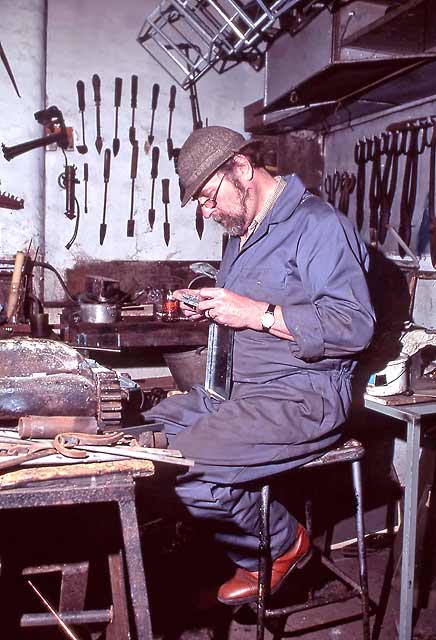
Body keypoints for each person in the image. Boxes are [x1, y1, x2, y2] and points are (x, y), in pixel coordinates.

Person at [143, 125, 375, 605]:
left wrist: (257, 314)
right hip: (238, 391)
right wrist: (207, 303)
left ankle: (279, 545)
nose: (207, 212)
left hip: (303, 395)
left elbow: (355, 326)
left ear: (243, 168)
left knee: (186, 468)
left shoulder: (319, 225)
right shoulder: (244, 230)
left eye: (209, 197)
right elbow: (254, 298)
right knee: (136, 437)